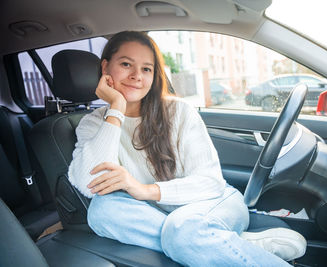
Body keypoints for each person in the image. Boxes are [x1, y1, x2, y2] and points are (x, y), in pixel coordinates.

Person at [68, 31, 306, 266]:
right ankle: (224, 244)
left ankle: (200, 240)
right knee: (101, 212)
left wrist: (144, 190)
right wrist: (116, 109)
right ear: (106, 67)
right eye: (126, 64)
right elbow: (89, 185)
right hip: (157, 214)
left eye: (146, 69)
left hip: (212, 201)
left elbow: (210, 182)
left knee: (182, 229)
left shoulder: (178, 111)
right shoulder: (94, 123)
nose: (136, 76)